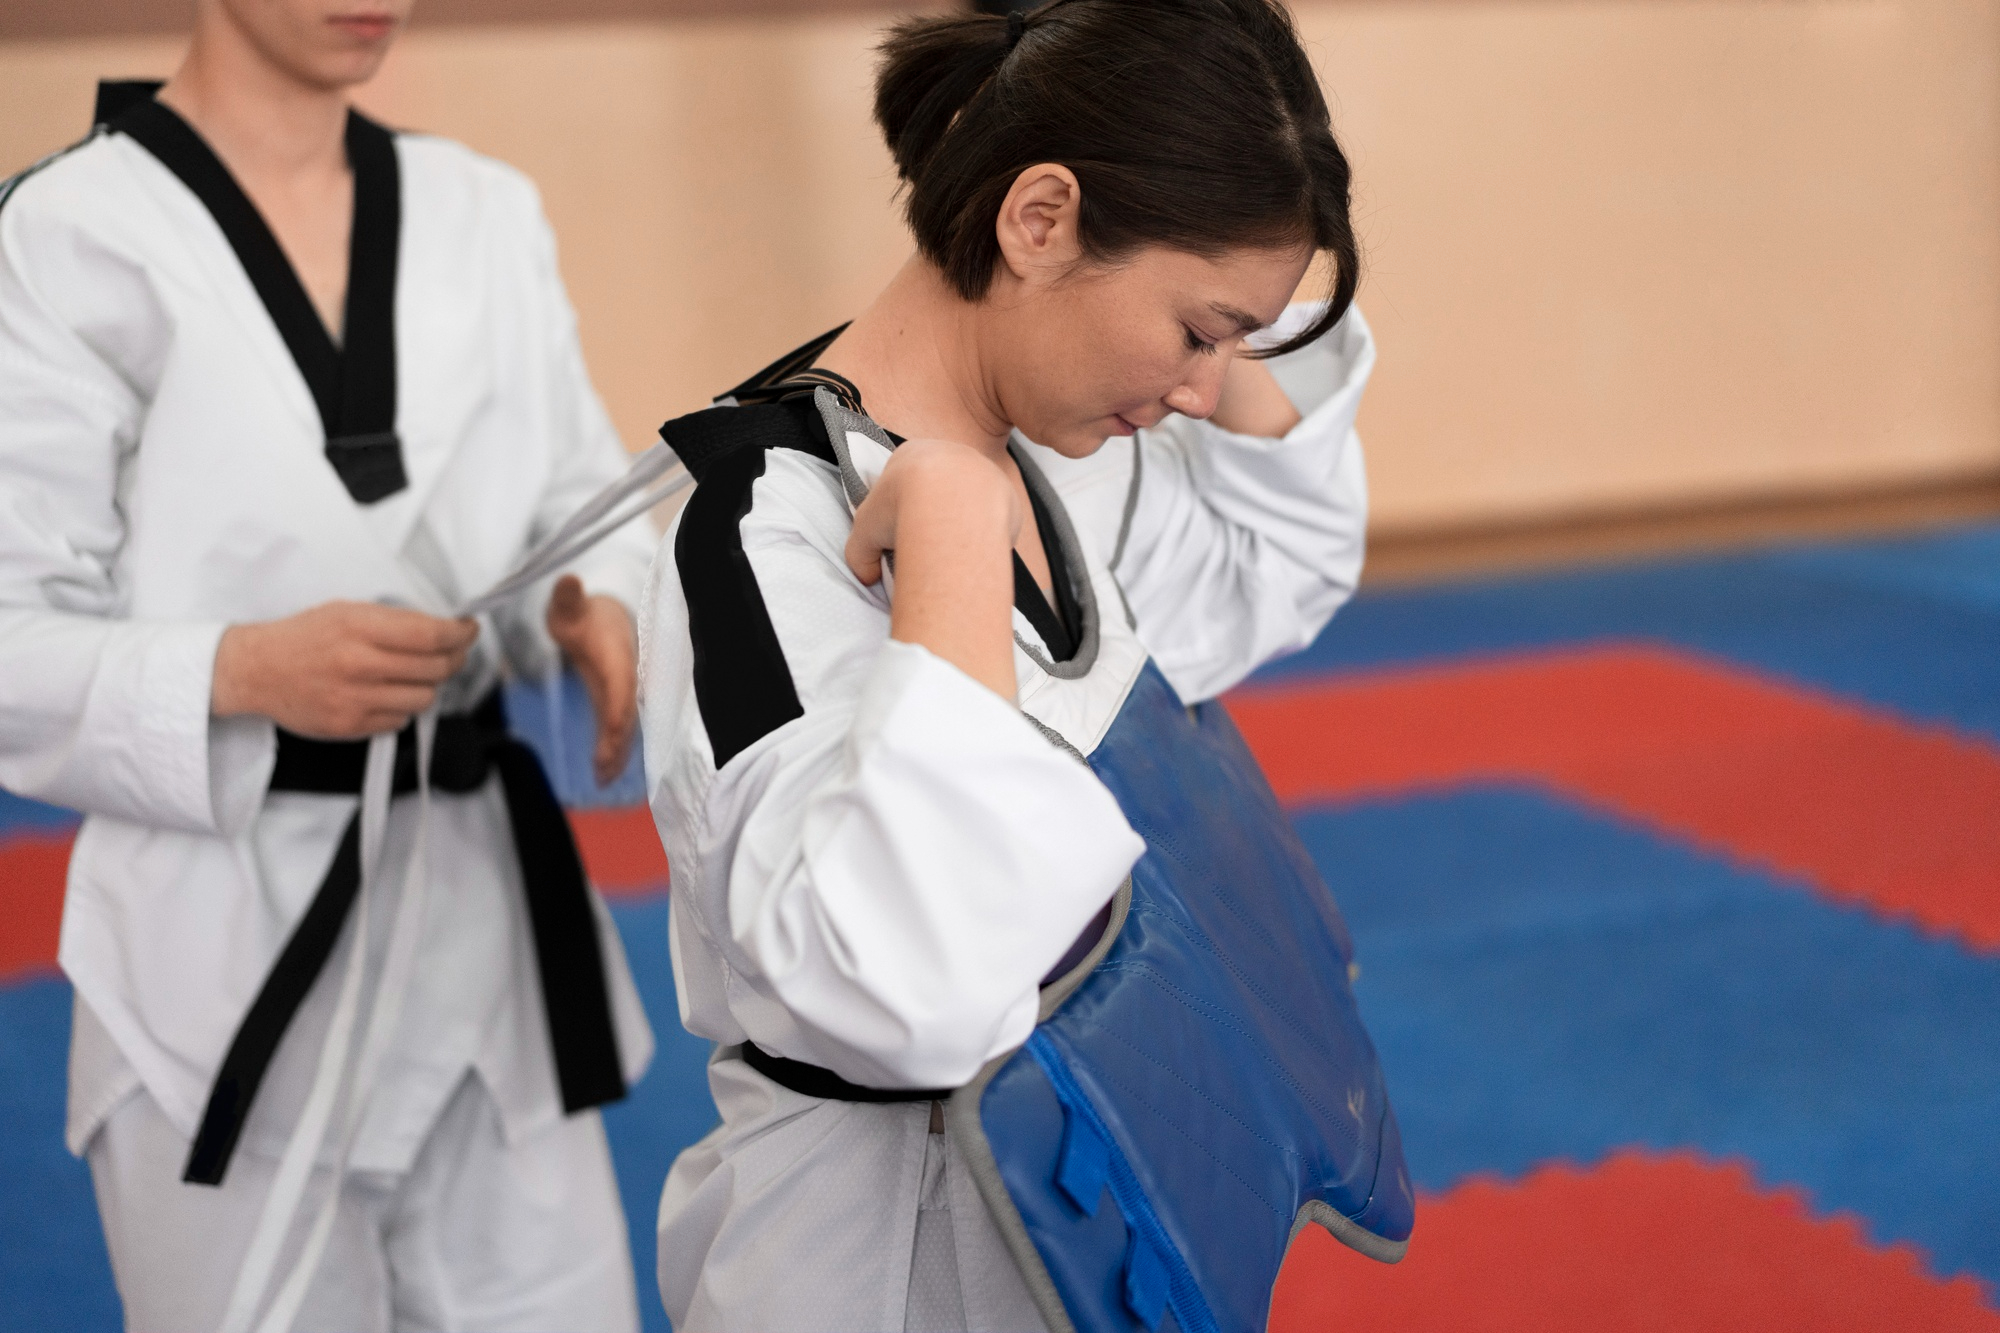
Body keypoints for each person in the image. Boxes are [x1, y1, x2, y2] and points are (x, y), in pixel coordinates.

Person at [637, 1, 1392, 1328]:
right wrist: (945, 544)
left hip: (1072, 1218)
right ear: (1039, 221)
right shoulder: (762, 519)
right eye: (1200, 332)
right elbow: (905, 980)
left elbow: (1272, 571)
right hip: (871, 1259)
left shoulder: (1047, 462)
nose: (1209, 395)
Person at [0, 1, 656, 1328]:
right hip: (213, 955)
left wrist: (592, 607)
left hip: (483, 930)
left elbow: (578, 504)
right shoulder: (69, 238)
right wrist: (239, 669)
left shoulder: (485, 211)